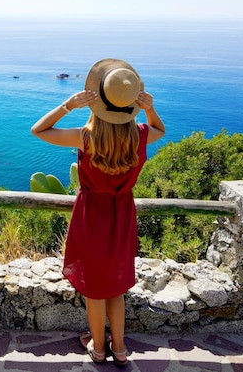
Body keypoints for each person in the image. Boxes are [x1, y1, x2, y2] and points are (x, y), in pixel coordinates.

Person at [30, 58, 165, 366]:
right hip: (122, 216)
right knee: (115, 287)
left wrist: (69, 104)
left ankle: (98, 349)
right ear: (130, 104)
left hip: (92, 216)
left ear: (97, 101)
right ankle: (119, 350)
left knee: (95, 288)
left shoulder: (85, 137)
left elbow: (39, 130)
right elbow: (160, 128)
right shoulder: (140, 135)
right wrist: (149, 108)